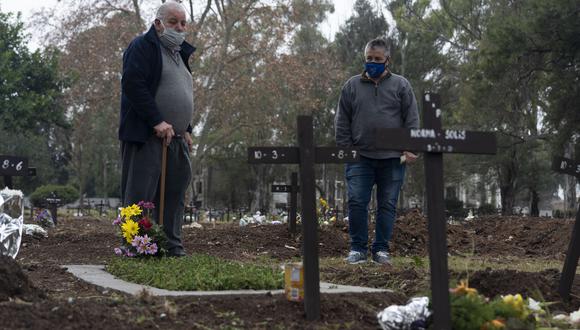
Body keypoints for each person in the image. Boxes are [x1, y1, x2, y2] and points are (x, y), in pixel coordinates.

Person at [119, 1, 195, 257]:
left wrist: (187, 128)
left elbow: (181, 94)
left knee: (175, 192)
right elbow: (133, 84)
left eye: (183, 23)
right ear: (158, 23)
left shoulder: (180, 53)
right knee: (140, 196)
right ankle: (136, 247)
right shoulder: (142, 47)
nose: (179, 27)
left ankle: (172, 247)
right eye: (173, 22)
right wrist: (156, 121)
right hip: (147, 136)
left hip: (176, 139)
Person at [335, 38, 420, 265]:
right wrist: (346, 150)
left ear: (387, 60)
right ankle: (358, 249)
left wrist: (410, 147)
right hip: (359, 158)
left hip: (393, 158)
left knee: (387, 205)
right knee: (356, 202)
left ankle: (381, 250)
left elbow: (411, 118)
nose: (372, 62)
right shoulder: (351, 86)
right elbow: (342, 121)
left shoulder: (401, 85)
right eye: (369, 59)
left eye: (377, 59)